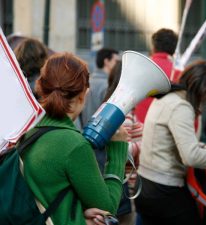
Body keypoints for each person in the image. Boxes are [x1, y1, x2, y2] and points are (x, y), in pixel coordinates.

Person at [21, 52, 128, 224]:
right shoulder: (74, 145)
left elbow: (48, 192)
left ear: (42, 87)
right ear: (82, 95)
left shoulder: (27, 129)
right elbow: (108, 207)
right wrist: (118, 149)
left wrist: (79, 213)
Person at [135, 60, 206, 225]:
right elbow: (191, 157)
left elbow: (175, 141)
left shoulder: (165, 97)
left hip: (145, 185)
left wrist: (203, 147)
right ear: (204, 90)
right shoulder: (181, 107)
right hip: (164, 189)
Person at [104, 60, 143, 225]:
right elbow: (121, 150)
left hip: (123, 183)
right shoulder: (123, 110)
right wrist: (146, 144)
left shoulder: (112, 104)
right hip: (126, 185)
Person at [135, 28, 178, 123]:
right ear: (174, 49)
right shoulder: (177, 72)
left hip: (140, 126)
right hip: (166, 126)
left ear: (153, 47)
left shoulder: (140, 67)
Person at [79, 48, 119, 128]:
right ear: (106, 61)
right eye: (116, 61)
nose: (118, 65)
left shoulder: (85, 82)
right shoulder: (108, 85)